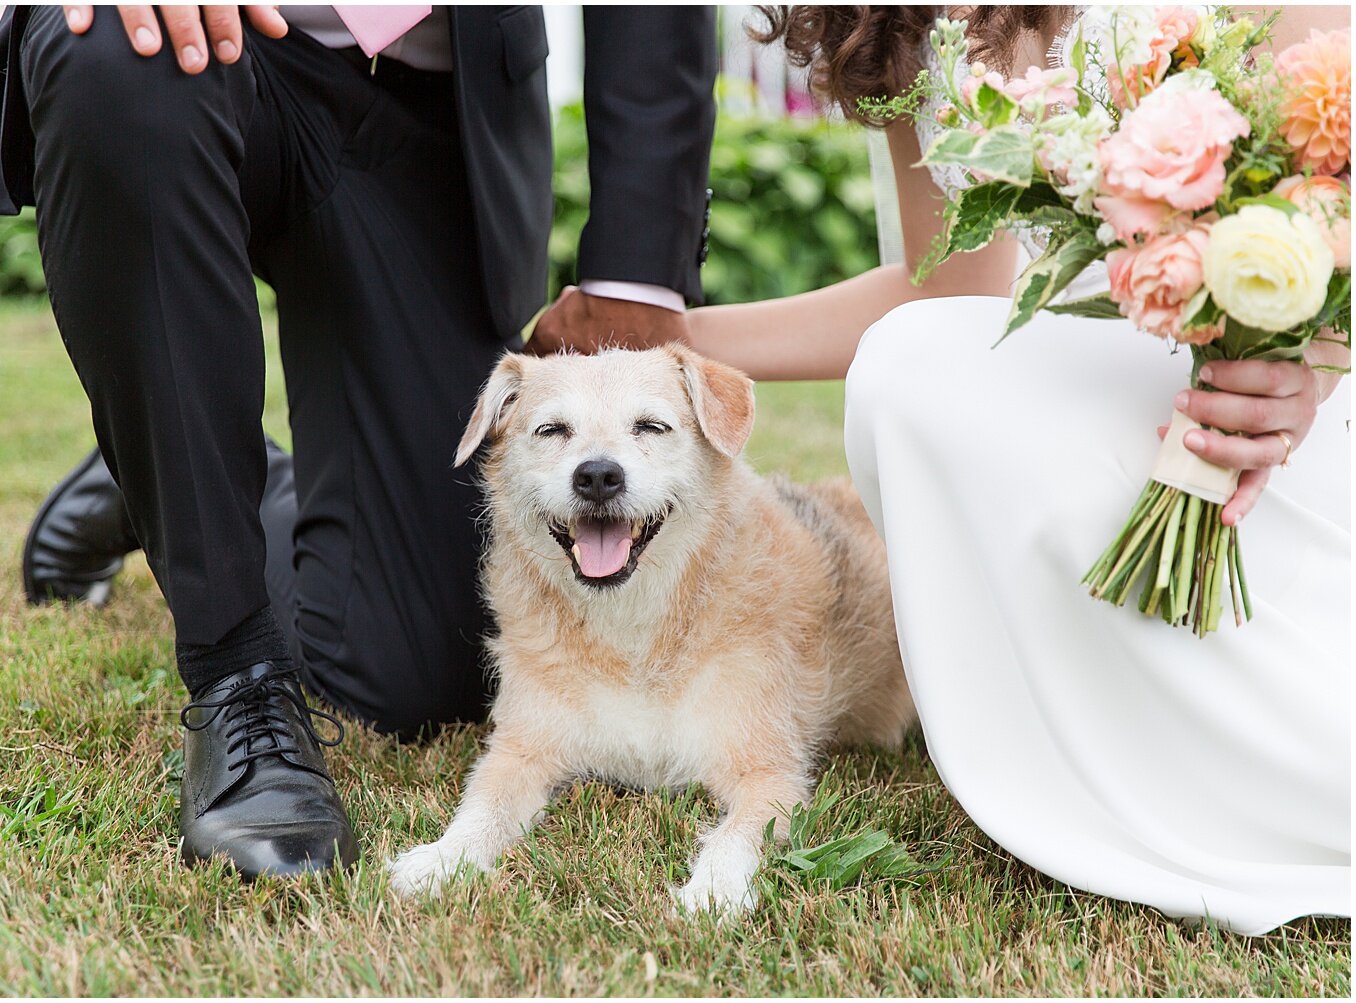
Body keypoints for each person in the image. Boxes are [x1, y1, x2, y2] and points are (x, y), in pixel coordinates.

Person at [554, 5, 1352, 934]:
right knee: (908, 372)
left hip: (1268, 405)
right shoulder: (889, 16)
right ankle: (1102, 744)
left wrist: (1311, 364)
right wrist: (669, 344)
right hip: (1067, 397)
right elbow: (949, 287)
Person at [0, 4, 717, 878]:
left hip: (431, 98)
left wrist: (636, 267)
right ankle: (235, 669)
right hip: (183, 43)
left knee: (421, 672)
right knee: (114, 53)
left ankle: (164, 471)